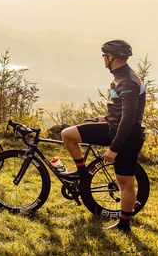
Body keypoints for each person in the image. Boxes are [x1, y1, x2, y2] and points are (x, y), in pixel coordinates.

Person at [61, 40, 146, 233]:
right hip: (113, 127)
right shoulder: (120, 77)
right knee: (68, 134)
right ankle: (82, 173)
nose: (103, 60)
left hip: (127, 136)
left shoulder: (127, 82)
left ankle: (124, 225)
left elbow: (129, 118)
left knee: (125, 182)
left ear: (112, 58)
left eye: (104, 56)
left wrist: (114, 148)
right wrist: (106, 117)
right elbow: (121, 111)